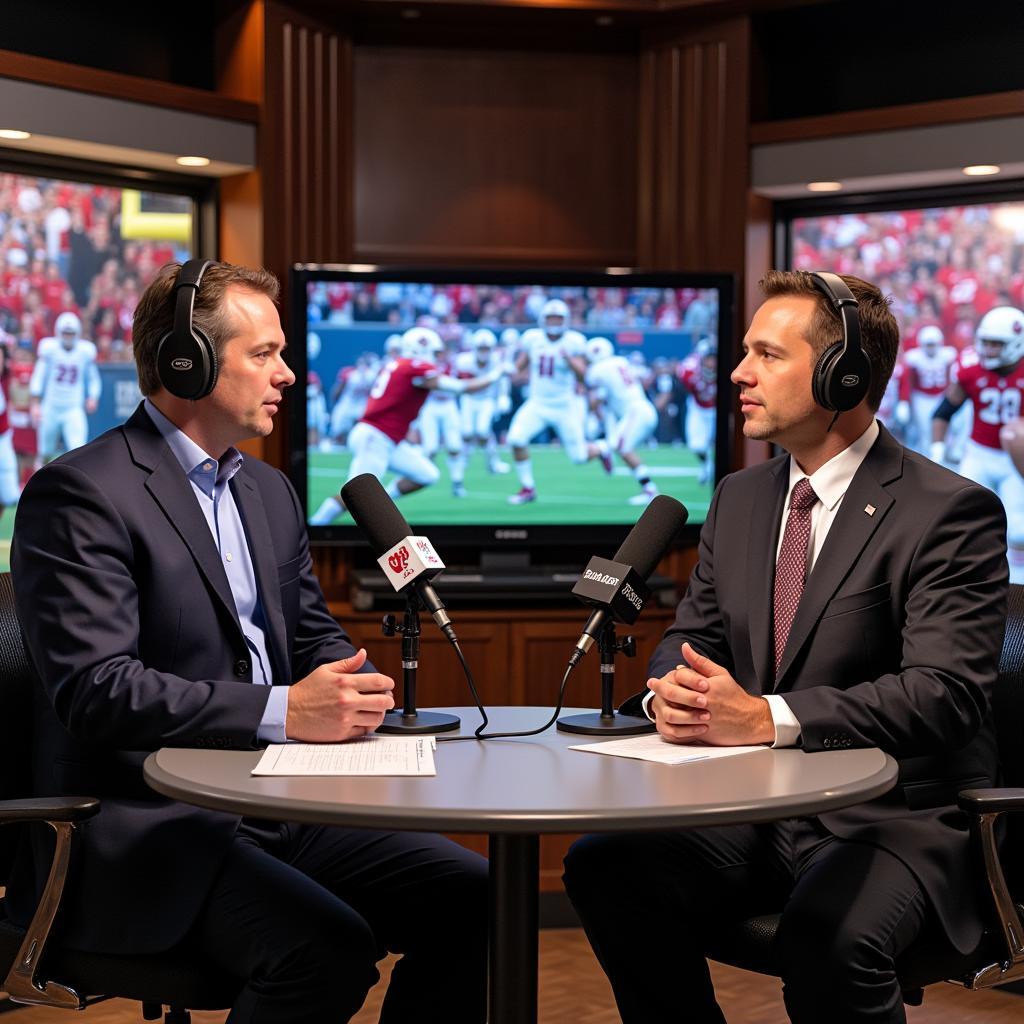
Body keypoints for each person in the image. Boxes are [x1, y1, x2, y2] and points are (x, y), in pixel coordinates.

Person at [9, 261, 488, 1024]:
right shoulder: (81, 494)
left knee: (478, 900)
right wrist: (283, 710)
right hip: (151, 832)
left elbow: (306, 631)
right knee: (322, 950)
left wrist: (347, 680)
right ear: (184, 361)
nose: (288, 374)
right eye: (263, 354)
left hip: (285, 807)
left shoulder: (268, 490)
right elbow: (97, 689)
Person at [563, 270, 1008, 1024]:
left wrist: (768, 717)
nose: (739, 372)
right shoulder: (740, 498)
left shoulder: (951, 511)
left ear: (846, 374)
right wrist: (671, 689)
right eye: (745, 352)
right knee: (604, 865)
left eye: (767, 355)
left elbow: (945, 694)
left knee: (829, 939)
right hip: (760, 810)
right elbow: (690, 639)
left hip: (889, 817)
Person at [309, 325, 499, 523]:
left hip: (386, 438)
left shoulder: (399, 365)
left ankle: (383, 501)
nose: (437, 357)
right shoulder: (414, 366)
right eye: (435, 352)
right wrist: (495, 375)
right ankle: (313, 527)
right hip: (376, 436)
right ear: (422, 349)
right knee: (356, 496)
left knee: (427, 474)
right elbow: (460, 388)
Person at [932, 305, 1024, 584]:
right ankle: (969, 580)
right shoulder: (971, 369)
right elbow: (944, 411)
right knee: (965, 521)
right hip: (979, 454)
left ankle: (1016, 589)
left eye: (996, 344)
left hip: (1013, 461)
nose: (987, 350)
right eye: (985, 342)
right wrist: (937, 452)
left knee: (1018, 530)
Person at [505, 297, 612, 505]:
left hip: (565, 406)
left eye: (558, 318)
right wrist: (507, 372)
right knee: (516, 439)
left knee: (579, 458)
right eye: (551, 318)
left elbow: (585, 377)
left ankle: (601, 448)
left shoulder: (574, 342)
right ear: (543, 319)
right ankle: (528, 488)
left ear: (566, 320)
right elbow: (520, 366)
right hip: (537, 403)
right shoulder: (532, 338)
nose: (554, 322)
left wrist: (570, 360)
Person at [583, 336, 660, 504]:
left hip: (635, 412)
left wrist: (590, 410)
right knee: (624, 449)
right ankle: (648, 488)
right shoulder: (621, 361)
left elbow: (597, 398)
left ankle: (603, 451)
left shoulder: (596, 370)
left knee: (619, 446)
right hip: (641, 408)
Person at [29, 309, 101, 461]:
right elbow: (38, 376)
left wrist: (93, 397)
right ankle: (41, 482)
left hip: (73, 408)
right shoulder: (49, 349)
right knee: (45, 452)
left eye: (71, 333)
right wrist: (35, 404)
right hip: (51, 406)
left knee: (78, 451)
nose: (68, 337)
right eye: (65, 333)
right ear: (58, 332)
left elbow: (93, 378)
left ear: (78, 333)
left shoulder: (84, 351)